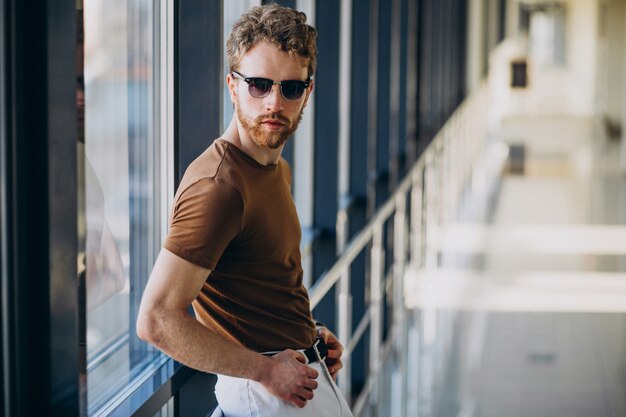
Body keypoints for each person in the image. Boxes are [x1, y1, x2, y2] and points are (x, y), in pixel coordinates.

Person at [136, 4, 353, 416]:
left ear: (307, 91)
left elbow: (264, 282)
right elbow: (156, 319)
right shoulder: (218, 187)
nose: (274, 102)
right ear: (232, 86)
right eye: (258, 84)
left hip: (298, 375)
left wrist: (311, 336)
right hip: (268, 394)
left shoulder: (276, 170)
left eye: (290, 88)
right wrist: (265, 371)